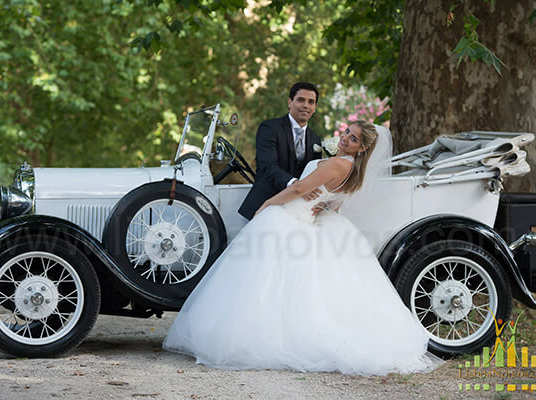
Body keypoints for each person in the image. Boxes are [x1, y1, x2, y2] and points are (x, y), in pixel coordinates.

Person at [163, 121, 442, 375]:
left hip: (289, 216)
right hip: (306, 219)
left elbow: (298, 190)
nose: (345, 138)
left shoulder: (337, 165)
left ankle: (254, 338)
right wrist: (318, 200)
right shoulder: (354, 172)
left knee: (260, 282)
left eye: (354, 139)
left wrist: (268, 204)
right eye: (347, 132)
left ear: (363, 147)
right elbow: (333, 203)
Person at [238, 82, 323, 220]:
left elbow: (313, 173)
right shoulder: (269, 128)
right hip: (265, 204)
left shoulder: (315, 139)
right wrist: (296, 185)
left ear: (315, 107)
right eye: (301, 100)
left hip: (297, 208)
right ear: (290, 102)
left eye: (311, 102)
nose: (306, 105)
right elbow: (267, 166)